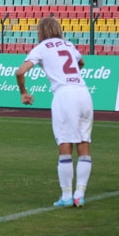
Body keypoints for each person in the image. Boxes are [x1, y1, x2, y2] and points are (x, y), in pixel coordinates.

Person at [16, 17, 93, 208]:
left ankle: (67, 195)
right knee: (84, 145)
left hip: (64, 95)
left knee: (65, 144)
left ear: (41, 32)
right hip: (83, 93)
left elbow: (20, 72)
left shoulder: (42, 47)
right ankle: (79, 194)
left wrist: (24, 92)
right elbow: (81, 62)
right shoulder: (68, 45)